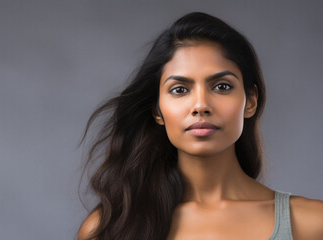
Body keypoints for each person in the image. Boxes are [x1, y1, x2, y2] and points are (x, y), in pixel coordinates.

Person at [77, 12, 323, 240]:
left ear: (251, 101)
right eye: (180, 90)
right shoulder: (109, 229)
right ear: (157, 110)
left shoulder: (312, 224)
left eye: (222, 86)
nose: (200, 105)